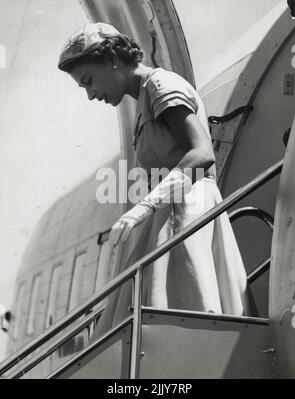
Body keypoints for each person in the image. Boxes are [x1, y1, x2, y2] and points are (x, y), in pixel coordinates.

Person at [58, 22, 250, 339]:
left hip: (186, 208)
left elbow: (201, 153)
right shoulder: (147, 97)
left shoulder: (161, 86)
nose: (91, 95)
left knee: (179, 316)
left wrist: (143, 207)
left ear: (112, 60)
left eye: (89, 81)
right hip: (171, 209)